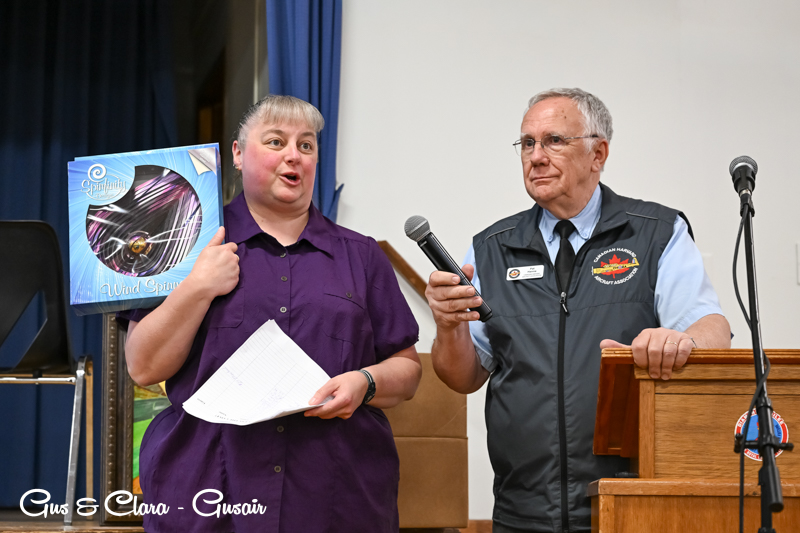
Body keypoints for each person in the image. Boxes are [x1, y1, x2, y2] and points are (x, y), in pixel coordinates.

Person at [425, 88, 731, 533]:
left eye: (554, 141)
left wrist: (681, 340)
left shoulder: (656, 233)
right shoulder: (491, 248)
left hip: (630, 505)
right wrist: (448, 326)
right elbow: (462, 377)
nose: (536, 156)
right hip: (522, 509)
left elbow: (713, 329)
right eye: (527, 143)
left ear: (597, 154)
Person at [118, 95, 421, 533]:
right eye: (276, 141)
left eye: (306, 145)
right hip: (208, 493)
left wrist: (365, 381)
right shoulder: (182, 242)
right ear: (238, 154)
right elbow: (144, 367)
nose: (293, 155)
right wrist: (198, 286)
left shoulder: (362, 255)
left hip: (335, 498)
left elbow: (407, 371)